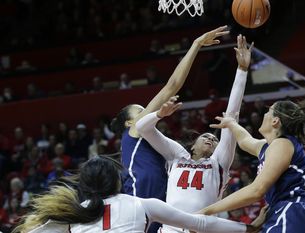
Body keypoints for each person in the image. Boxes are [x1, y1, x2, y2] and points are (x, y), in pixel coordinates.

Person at [110, 26, 229, 233]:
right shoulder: (134, 133)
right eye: (141, 110)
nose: (146, 110)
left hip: (158, 203)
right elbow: (172, 86)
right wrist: (196, 44)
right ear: (130, 124)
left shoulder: (154, 142)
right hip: (141, 200)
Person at [136, 34, 253, 233]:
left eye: (215, 139)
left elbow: (232, 114)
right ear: (192, 145)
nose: (211, 138)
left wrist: (241, 71)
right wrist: (158, 114)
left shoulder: (219, 162)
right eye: (206, 136)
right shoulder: (177, 155)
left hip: (202, 229)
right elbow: (142, 128)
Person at [196, 89, 305, 232]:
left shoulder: (282, 144)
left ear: (275, 121)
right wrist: (231, 123)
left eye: (268, 111)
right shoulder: (268, 146)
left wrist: (208, 210)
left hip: (294, 212)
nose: (263, 114)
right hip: (293, 213)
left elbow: (257, 190)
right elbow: (246, 141)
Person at [12, 155, 266, 233]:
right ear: (117, 181)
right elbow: (200, 223)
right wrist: (250, 229)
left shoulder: (73, 215)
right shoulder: (143, 204)